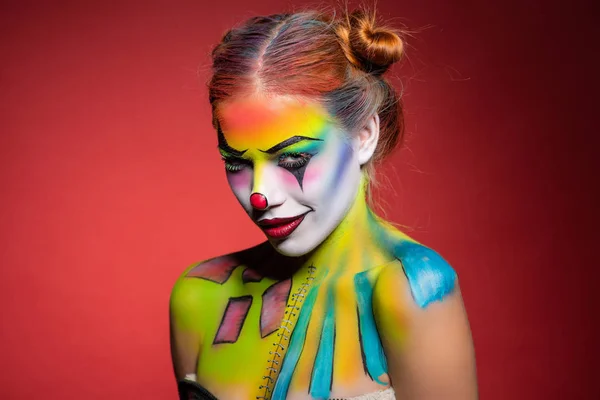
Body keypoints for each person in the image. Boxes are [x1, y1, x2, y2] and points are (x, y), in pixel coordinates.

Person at [170, 7, 478, 400]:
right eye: (237, 162)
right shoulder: (200, 296)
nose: (260, 195)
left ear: (364, 134)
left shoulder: (412, 288)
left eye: (293, 159)